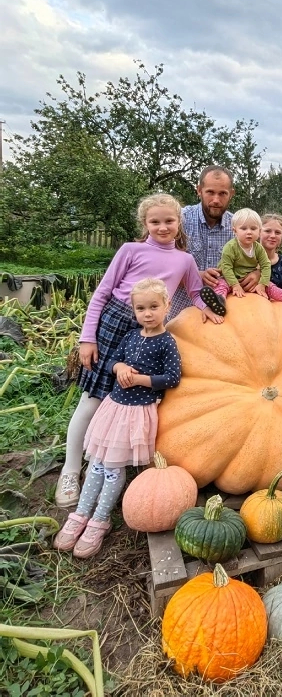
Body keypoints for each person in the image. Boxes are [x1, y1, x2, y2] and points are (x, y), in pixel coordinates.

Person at [55, 194, 219, 508]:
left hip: (150, 332)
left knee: (131, 400)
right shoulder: (130, 250)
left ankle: (111, 460)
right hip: (115, 323)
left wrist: (208, 311)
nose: (162, 227)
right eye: (155, 221)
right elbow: (102, 292)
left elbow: (195, 292)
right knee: (93, 399)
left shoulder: (185, 260)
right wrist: (87, 339)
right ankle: (70, 469)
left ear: (178, 222)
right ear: (145, 224)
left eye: (169, 221)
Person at [53, 278, 182, 557]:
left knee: (112, 467)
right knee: (97, 463)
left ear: (166, 306)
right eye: (140, 308)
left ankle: (100, 520)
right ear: (134, 310)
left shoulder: (167, 342)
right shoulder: (131, 336)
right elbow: (111, 360)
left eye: (153, 307)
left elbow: (172, 378)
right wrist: (120, 366)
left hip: (136, 413)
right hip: (113, 407)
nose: (147, 313)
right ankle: (80, 514)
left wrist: (140, 379)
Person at [168, 165, 260, 319]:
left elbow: (259, 256)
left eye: (222, 193)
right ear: (199, 190)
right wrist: (195, 276)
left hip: (224, 319)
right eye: (210, 192)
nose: (216, 200)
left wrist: (257, 272)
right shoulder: (178, 221)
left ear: (231, 194)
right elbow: (159, 264)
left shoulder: (240, 227)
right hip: (180, 314)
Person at [199, 208, 282, 320]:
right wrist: (235, 285)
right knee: (221, 285)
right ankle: (219, 301)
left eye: (253, 228)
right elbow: (226, 267)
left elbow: (266, 265)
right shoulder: (230, 247)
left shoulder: (259, 250)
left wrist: (262, 284)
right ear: (234, 230)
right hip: (231, 279)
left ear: (258, 231)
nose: (249, 232)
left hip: (269, 312)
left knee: (271, 286)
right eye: (244, 228)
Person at [260, 213, 282, 292]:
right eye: (268, 231)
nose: (273, 236)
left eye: (277, 232)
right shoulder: (248, 259)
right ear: (259, 232)